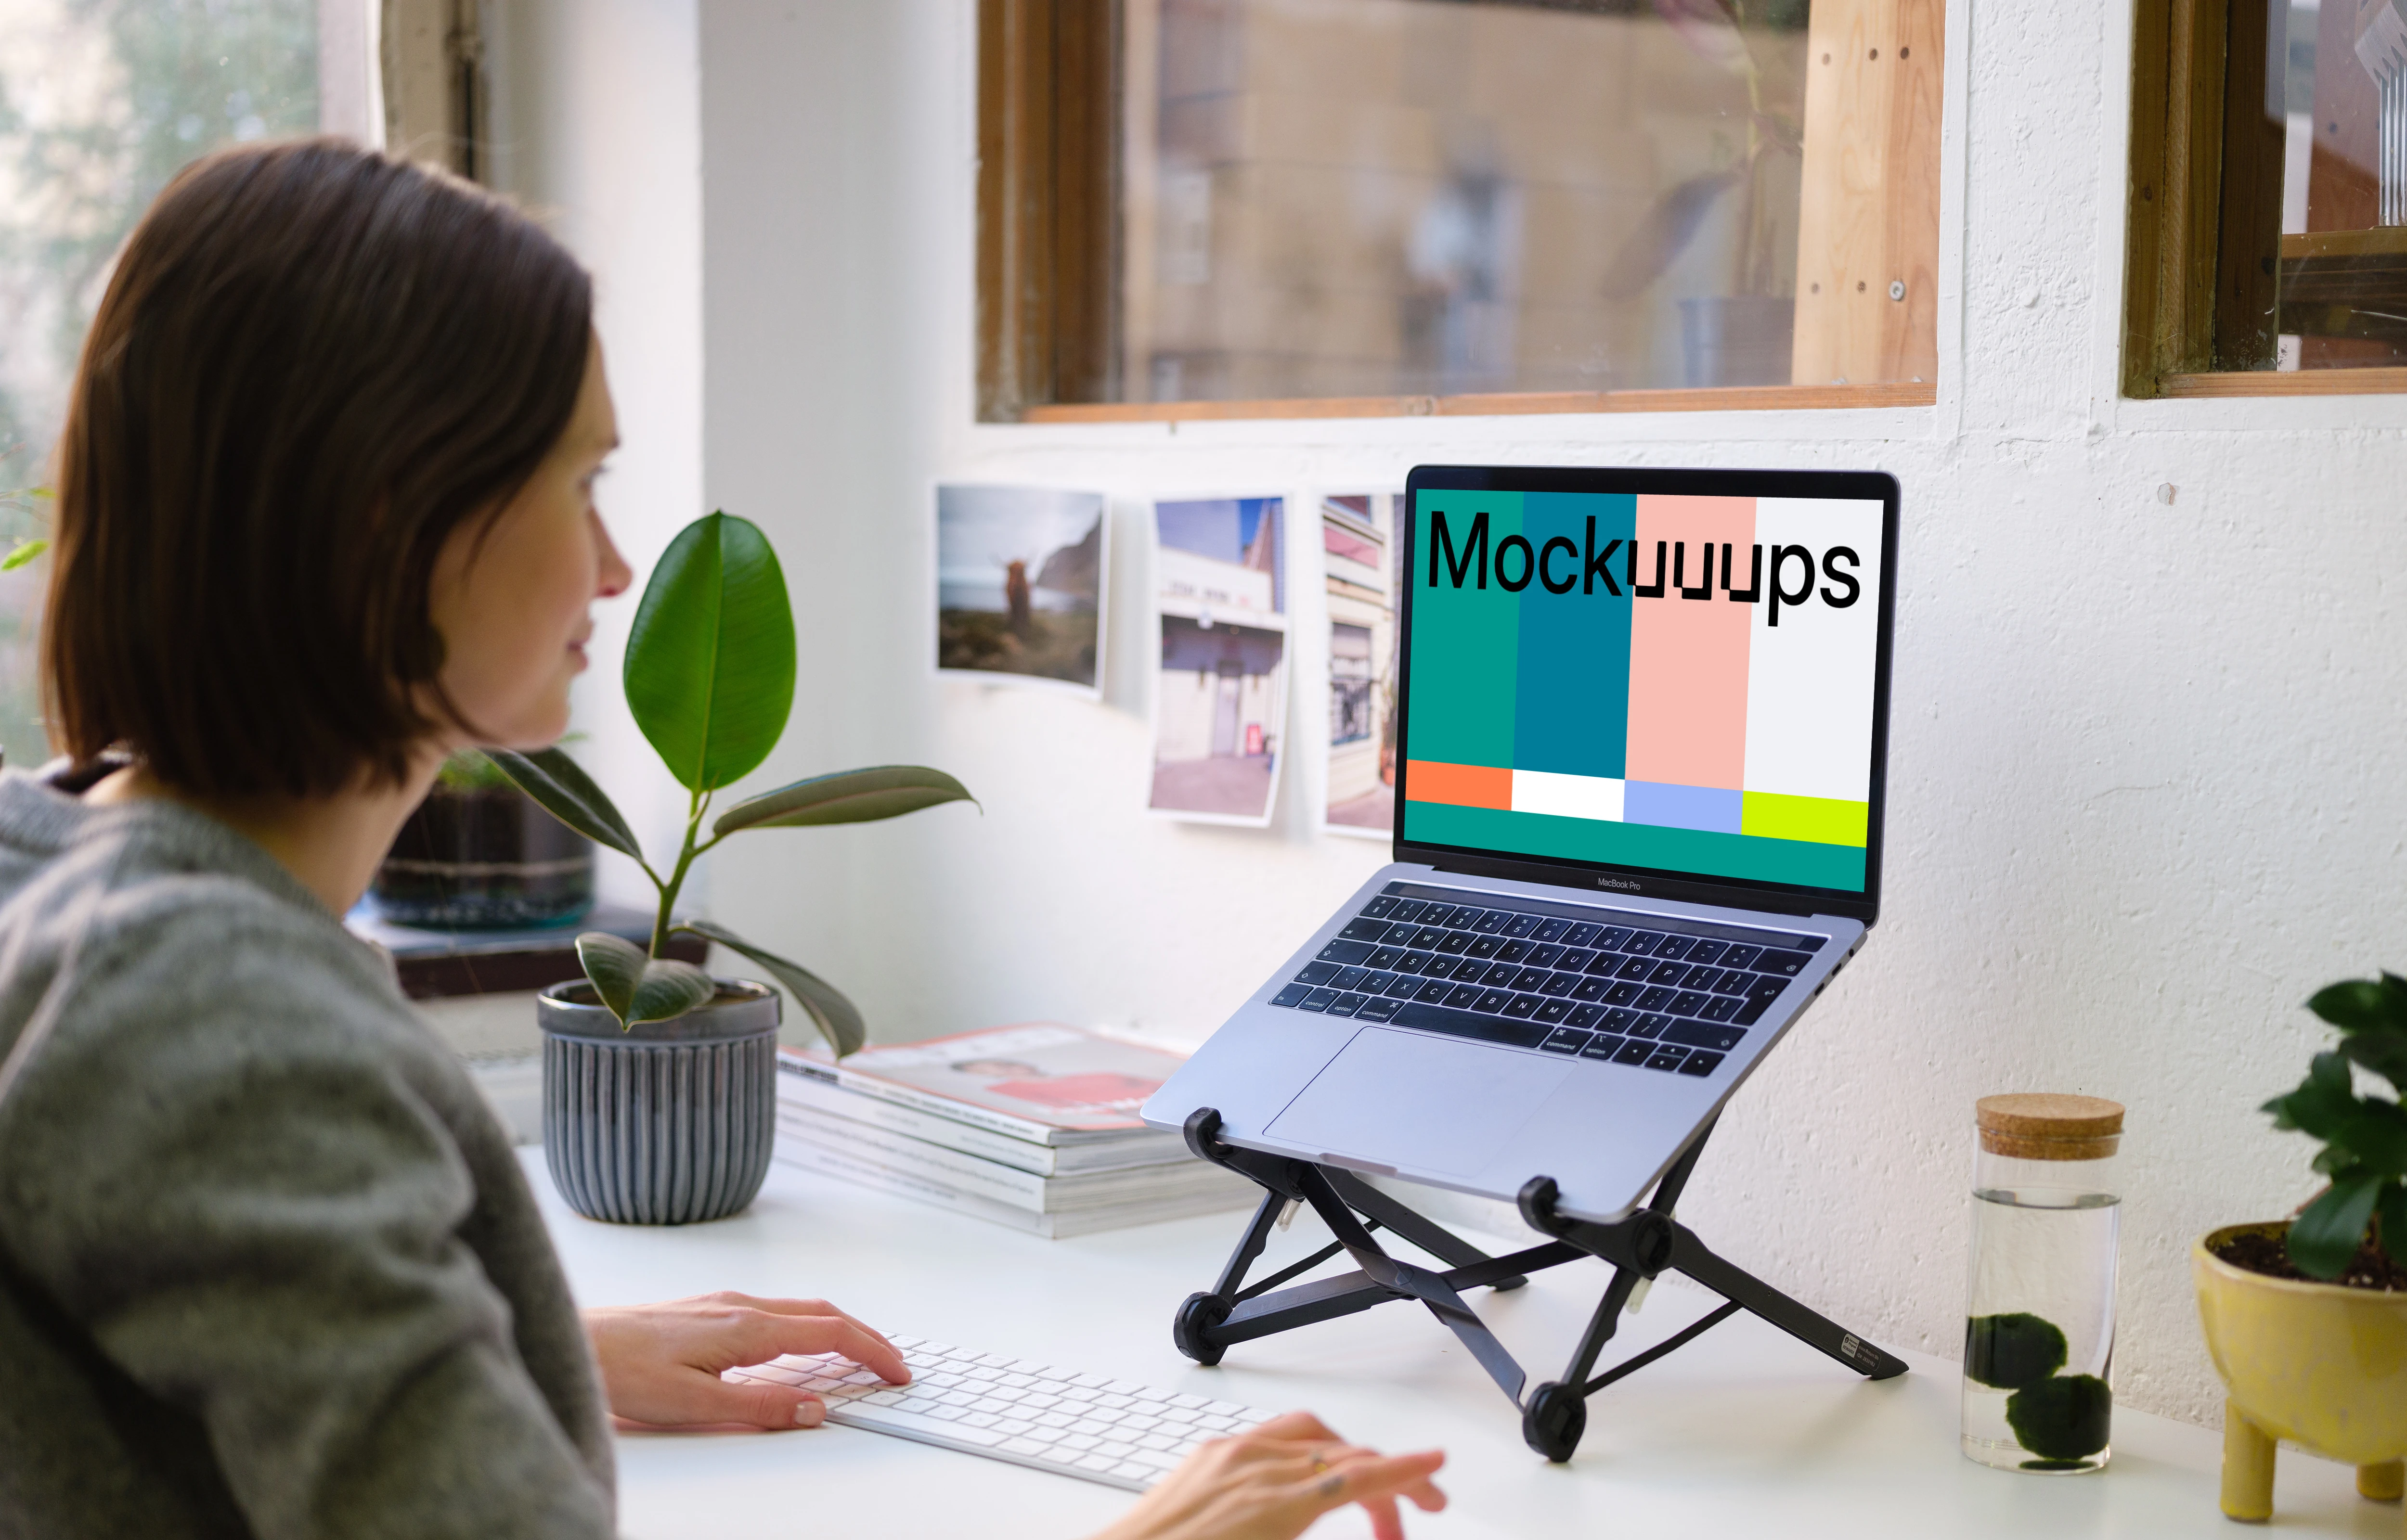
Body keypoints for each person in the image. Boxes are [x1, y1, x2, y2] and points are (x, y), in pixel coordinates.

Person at [0, 139, 1447, 1540]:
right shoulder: (222, 1020)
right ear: (396, 526)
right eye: (582, 485)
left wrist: (513, 1353)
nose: (617, 568)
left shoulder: (48, 873)